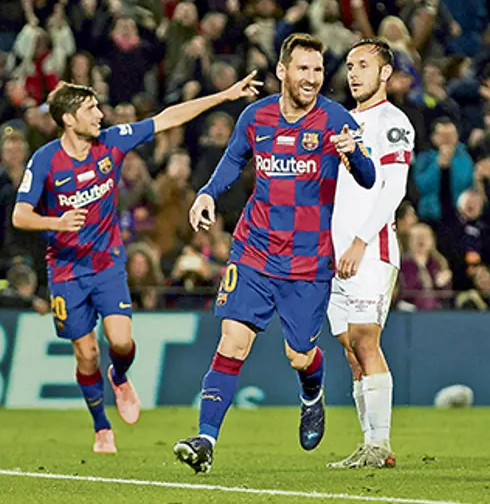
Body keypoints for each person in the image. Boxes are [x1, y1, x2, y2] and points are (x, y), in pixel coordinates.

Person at [12, 73, 260, 454]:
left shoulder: (112, 142)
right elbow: (20, 215)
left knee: (121, 342)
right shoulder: (45, 160)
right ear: (69, 119)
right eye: (91, 109)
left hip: (107, 262)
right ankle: (101, 428)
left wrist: (224, 95)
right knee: (86, 353)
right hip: (65, 269)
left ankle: (120, 374)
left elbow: (168, 117)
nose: (100, 114)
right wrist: (56, 223)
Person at [172, 33, 376, 474]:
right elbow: (233, 160)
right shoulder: (256, 116)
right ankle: (205, 440)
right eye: (303, 68)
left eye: (318, 70)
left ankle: (311, 392)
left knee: (299, 355)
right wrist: (207, 193)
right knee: (232, 341)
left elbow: (368, 177)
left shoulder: (336, 119)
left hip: (307, 262)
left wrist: (354, 154)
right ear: (282, 71)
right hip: (254, 251)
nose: (312, 78)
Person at [327, 39, 415, 469]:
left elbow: (393, 189)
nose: (354, 73)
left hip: (370, 249)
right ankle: (368, 442)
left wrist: (361, 241)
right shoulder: (342, 122)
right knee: (350, 348)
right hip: (334, 253)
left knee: (365, 338)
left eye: (364, 65)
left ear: (384, 73)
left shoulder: (392, 121)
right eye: (349, 65)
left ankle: (380, 444)